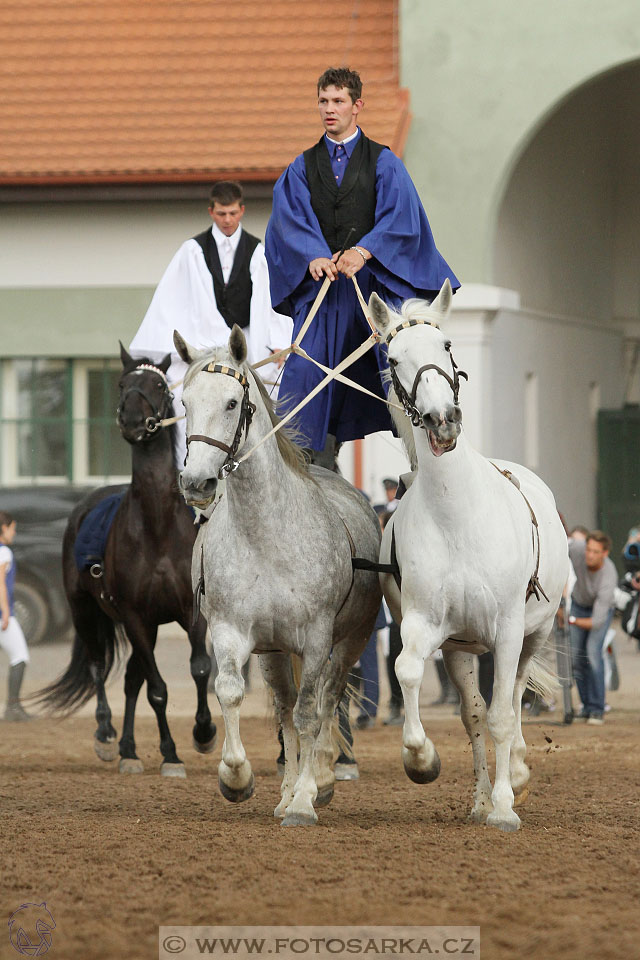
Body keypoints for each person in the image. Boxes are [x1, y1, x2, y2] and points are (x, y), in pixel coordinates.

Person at [265, 67, 460, 466]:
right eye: (323, 101)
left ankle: (427, 458)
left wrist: (365, 250)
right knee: (304, 376)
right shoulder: (301, 168)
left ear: (358, 106)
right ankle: (296, 465)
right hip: (326, 291)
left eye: (338, 101)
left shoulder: (384, 162)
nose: (329, 109)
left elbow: (402, 218)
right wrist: (313, 254)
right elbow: (287, 221)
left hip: (376, 289)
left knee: (410, 366)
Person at [130, 180, 293, 464]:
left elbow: (269, 302)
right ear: (211, 212)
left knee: (270, 390)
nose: (227, 220)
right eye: (221, 214)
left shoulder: (257, 251)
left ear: (242, 211)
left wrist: (276, 343)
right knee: (188, 396)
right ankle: (194, 468)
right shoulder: (192, 251)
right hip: (204, 341)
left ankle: (260, 465)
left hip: (248, 343)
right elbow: (174, 298)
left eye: (232, 213)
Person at [568, 530, 617, 725]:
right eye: (588, 549)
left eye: (596, 552)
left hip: (599, 612)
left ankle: (597, 708)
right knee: (576, 658)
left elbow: (597, 621)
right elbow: (557, 543)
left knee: (592, 654)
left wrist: (570, 620)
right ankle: (586, 706)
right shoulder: (577, 548)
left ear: (605, 554)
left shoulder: (608, 576)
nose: (589, 555)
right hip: (579, 603)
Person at [0, 511, 31, 721]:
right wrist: (6, 611)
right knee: (20, 655)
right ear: (4, 528)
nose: (14, 532)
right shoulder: (4, 553)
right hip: (2, 614)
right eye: (13, 528)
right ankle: (13, 707)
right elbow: (0, 583)